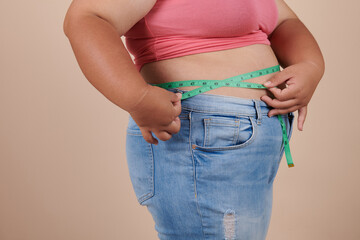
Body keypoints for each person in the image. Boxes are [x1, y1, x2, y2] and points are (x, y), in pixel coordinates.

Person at [63, 0, 325, 239]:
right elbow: (87, 17)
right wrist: (138, 98)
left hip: (243, 141)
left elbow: (282, 20)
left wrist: (310, 65)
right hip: (199, 137)